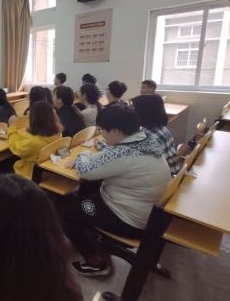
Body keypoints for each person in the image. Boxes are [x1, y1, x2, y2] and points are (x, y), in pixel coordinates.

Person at [55, 105, 171, 276]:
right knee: (88, 190)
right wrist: (92, 155)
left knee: (60, 209)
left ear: (115, 131)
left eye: (102, 130)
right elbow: (111, 155)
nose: (101, 134)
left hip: (129, 220)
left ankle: (94, 262)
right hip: (150, 215)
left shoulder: (123, 154)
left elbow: (84, 170)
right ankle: (94, 234)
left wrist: (83, 154)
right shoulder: (145, 140)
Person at [0, 101, 63, 181]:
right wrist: (13, 131)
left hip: (29, 171)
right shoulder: (57, 133)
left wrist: (12, 125)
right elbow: (30, 137)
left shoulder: (34, 142)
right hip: (42, 168)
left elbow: (15, 148)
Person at [132, 95, 180, 174]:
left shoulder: (146, 137)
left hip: (165, 176)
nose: (131, 113)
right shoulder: (161, 128)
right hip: (174, 172)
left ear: (144, 113)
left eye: (134, 110)